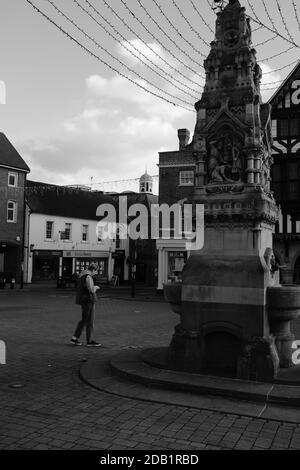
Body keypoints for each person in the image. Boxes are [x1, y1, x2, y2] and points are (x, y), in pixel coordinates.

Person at [70, 263, 102, 347]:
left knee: (84, 320)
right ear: (93, 270)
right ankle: (89, 341)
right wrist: (96, 287)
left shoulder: (81, 275)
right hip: (88, 300)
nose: (96, 273)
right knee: (90, 321)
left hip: (83, 300)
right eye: (96, 271)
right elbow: (91, 290)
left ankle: (74, 338)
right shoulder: (88, 276)